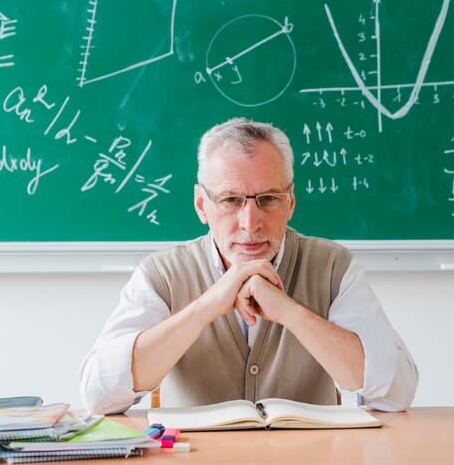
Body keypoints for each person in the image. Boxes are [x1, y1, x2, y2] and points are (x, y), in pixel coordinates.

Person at [80, 118, 417, 413]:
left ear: (291, 202)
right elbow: (99, 395)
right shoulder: (162, 275)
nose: (250, 222)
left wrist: (289, 312)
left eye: (268, 199)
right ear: (201, 205)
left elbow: (396, 393)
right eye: (230, 200)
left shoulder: (333, 267)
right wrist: (206, 307)